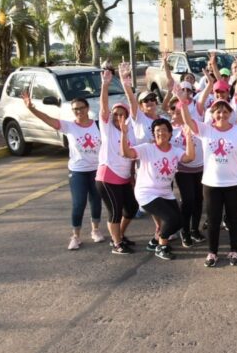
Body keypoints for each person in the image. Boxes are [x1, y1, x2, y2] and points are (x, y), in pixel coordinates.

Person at [22, 92, 106, 250]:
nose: (79, 111)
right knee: (79, 203)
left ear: (87, 108)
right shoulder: (69, 126)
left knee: (96, 200)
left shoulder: (97, 125)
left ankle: (95, 230)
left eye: (81, 108)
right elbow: (47, 119)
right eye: (75, 109)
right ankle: (76, 236)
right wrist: (32, 109)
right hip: (78, 171)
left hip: (96, 170)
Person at [183, 95, 237, 267]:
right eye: (218, 112)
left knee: (233, 219)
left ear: (230, 113)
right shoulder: (206, 130)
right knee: (213, 220)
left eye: (225, 111)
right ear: (212, 114)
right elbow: (188, 120)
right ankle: (212, 252)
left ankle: (234, 250)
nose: (222, 114)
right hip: (211, 184)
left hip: (234, 183)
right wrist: (181, 101)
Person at [119, 117, 195, 260]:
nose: (161, 133)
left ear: (170, 133)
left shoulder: (175, 151)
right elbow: (126, 153)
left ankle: (155, 241)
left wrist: (189, 137)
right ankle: (162, 246)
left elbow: (190, 157)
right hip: (146, 192)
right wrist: (124, 134)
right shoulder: (147, 148)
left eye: (165, 130)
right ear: (154, 134)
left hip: (165, 192)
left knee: (180, 221)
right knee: (171, 218)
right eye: (157, 130)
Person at [98, 68, 138, 255]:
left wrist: (132, 177)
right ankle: (116, 244)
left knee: (131, 209)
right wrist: (105, 84)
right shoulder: (108, 128)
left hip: (123, 178)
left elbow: (132, 157)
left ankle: (119, 236)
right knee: (114, 212)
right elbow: (104, 107)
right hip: (108, 176)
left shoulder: (130, 131)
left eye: (122, 114)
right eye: (116, 114)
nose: (118, 117)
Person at [168, 94, 206, 247]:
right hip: (183, 170)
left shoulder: (194, 124)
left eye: (181, 112)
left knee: (199, 200)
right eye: (175, 112)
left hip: (200, 168)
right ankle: (184, 230)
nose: (178, 115)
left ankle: (194, 229)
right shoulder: (170, 131)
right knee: (188, 200)